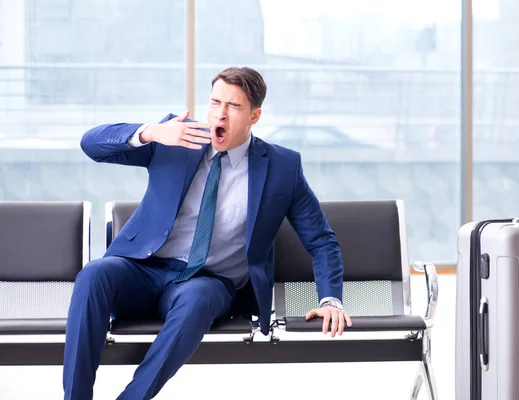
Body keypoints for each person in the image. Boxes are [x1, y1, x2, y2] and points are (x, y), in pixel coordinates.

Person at [63, 66, 352, 400]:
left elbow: (320, 239)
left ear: (254, 116)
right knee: (94, 274)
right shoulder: (175, 138)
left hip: (208, 280)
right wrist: (150, 133)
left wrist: (331, 299)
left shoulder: (282, 167)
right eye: (215, 103)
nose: (221, 114)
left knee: (197, 299)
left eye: (234, 106)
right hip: (143, 269)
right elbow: (91, 144)